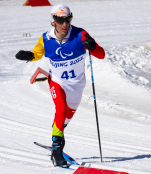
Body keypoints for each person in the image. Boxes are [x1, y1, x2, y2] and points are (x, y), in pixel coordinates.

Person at [15, 4, 105, 168]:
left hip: (77, 84)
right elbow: (37, 53)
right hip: (57, 81)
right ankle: (57, 150)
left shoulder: (81, 34)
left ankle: (57, 133)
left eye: (67, 19)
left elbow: (101, 54)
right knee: (61, 109)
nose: (64, 24)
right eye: (60, 20)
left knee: (65, 119)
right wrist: (29, 55)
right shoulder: (45, 38)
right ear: (53, 21)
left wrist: (94, 47)